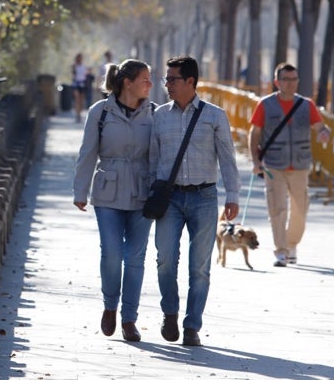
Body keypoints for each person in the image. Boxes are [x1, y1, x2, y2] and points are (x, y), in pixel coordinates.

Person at [149, 55, 241, 347]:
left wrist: (233, 195)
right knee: (165, 259)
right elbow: (153, 159)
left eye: (172, 79)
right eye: (166, 79)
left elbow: (227, 158)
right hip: (170, 198)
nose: (167, 85)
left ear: (191, 81)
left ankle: (192, 326)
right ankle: (170, 313)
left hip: (204, 197)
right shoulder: (160, 116)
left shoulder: (214, 116)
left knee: (199, 267)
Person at [73, 59, 156, 342]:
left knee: (135, 257)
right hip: (107, 190)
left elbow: (161, 155)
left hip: (142, 193)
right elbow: (87, 152)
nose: (150, 84)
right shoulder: (101, 111)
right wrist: (79, 190)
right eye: (145, 79)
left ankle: (129, 318)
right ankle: (110, 306)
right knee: (112, 253)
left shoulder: (154, 113)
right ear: (127, 83)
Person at [248, 63, 331, 268]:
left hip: (300, 165)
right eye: (286, 79)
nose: (291, 84)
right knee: (277, 209)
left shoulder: (306, 105)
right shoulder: (265, 105)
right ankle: (281, 252)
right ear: (277, 82)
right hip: (273, 164)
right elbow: (255, 133)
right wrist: (256, 161)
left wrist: (324, 133)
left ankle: (292, 243)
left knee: (300, 210)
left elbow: (321, 126)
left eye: (294, 79)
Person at [72, 53, 89, 122]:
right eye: (79, 57)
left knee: (81, 101)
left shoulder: (84, 66)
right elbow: (73, 75)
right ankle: (77, 115)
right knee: (77, 100)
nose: (80, 59)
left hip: (83, 84)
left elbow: (85, 75)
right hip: (76, 84)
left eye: (81, 58)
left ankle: (80, 113)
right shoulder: (74, 66)